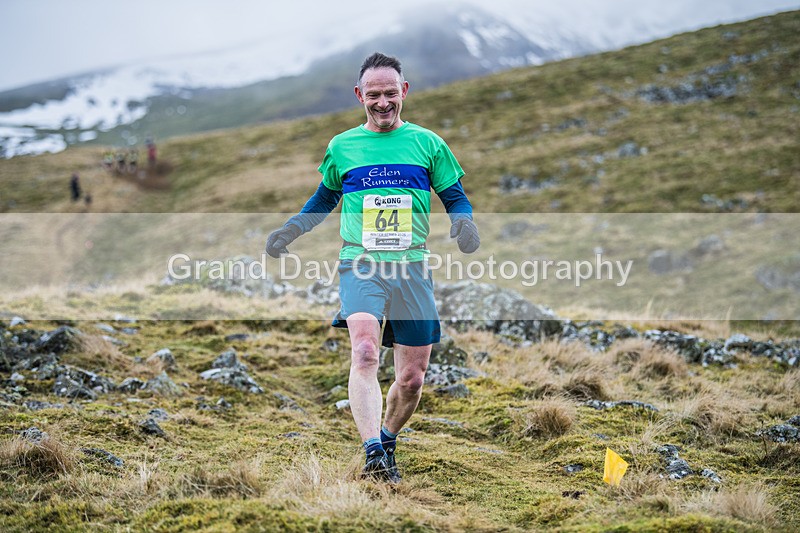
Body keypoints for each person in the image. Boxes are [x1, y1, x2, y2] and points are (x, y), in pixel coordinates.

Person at [265, 52, 480, 483]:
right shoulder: (342, 146)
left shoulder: (428, 143)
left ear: (404, 92)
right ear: (360, 95)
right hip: (360, 265)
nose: (383, 103)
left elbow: (454, 195)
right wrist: (290, 230)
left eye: (390, 93)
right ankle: (372, 454)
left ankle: (388, 438)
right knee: (364, 351)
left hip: (412, 269)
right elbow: (324, 198)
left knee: (413, 378)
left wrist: (464, 221)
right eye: (373, 95)